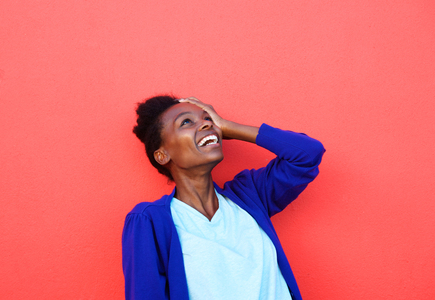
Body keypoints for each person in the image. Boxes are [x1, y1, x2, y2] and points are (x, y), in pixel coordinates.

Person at [122, 95, 325, 300]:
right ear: (162, 155)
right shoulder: (150, 221)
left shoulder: (250, 194)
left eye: (207, 118)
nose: (205, 124)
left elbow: (308, 154)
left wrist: (228, 126)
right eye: (186, 122)